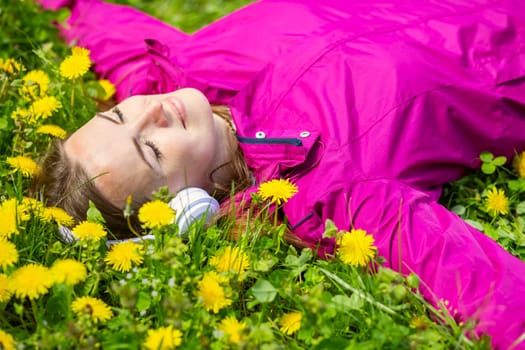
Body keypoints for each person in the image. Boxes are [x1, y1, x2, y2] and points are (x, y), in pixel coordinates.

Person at [34, 0, 525, 348]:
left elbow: (92, 21)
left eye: (118, 115)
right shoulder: (326, 193)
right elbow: (479, 285)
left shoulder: (171, 75)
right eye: (149, 151)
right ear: (186, 210)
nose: (149, 113)